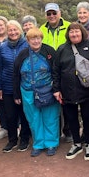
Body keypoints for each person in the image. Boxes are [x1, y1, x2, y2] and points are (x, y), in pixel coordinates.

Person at [52, 23, 89, 160]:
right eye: (71, 32)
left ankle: (88, 143)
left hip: (87, 91)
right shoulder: (62, 49)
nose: (74, 34)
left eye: (76, 31)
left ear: (82, 32)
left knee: (87, 118)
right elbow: (56, 71)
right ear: (68, 34)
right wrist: (56, 89)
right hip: (67, 91)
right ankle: (76, 143)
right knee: (71, 119)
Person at [13, 27, 59, 157]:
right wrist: (16, 94)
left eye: (38, 37)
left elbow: (56, 72)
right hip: (27, 91)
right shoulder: (22, 55)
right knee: (34, 118)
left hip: (47, 90)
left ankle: (51, 143)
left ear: (41, 38)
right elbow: (16, 75)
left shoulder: (49, 51)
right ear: (27, 40)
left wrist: (56, 89)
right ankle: (38, 144)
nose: (36, 41)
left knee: (50, 117)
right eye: (32, 38)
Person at [0, 20, 32, 153]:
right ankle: (12, 140)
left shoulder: (27, 44)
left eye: (15, 29)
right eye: (10, 30)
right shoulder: (2, 47)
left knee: (24, 114)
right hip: (7, 86)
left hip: (24, 86)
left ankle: (24, 139)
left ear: (20, 30)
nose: (13, 32)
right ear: (7, 31)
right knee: (10, 116)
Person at [39, 2, 72, 142]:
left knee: (67, 102)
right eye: (49, 14)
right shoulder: (41, 29)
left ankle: (69, 131)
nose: (51, 16)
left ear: (60, 13)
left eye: (54, 13)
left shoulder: (69, 27)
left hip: (66, 68)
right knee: (52, 102)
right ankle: (55, 133)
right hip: (47, 70)